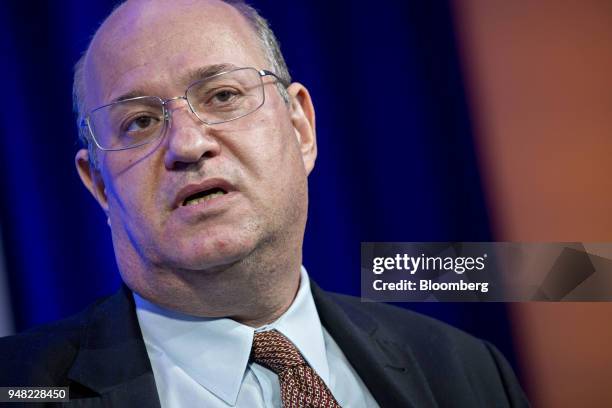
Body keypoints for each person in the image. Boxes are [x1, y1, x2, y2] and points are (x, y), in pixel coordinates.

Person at [0, 1, 529, 407]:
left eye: (222, 96)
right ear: (97, 185)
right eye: (139, 122)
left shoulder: (467, 370)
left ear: (301, 128)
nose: (187, 144)